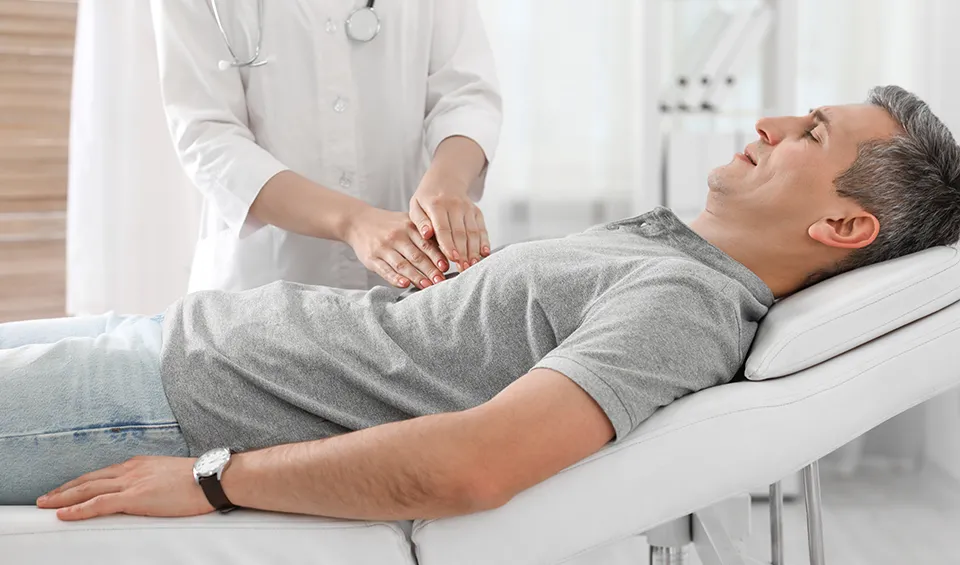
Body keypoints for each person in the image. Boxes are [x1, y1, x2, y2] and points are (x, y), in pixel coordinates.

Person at [2, 86, 959, 522]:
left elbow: (469, 467)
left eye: (811, 133)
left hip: (174, 401)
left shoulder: (685, 302)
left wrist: (212, 478)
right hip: (177, 341)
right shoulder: (672, 250)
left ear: (843, 228)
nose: (770, 122)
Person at [150, 0, 503, 293]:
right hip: (263, 290)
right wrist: (353, 221)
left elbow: (465, 93)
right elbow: (209, 137)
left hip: (412, 278)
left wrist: (447, 186)